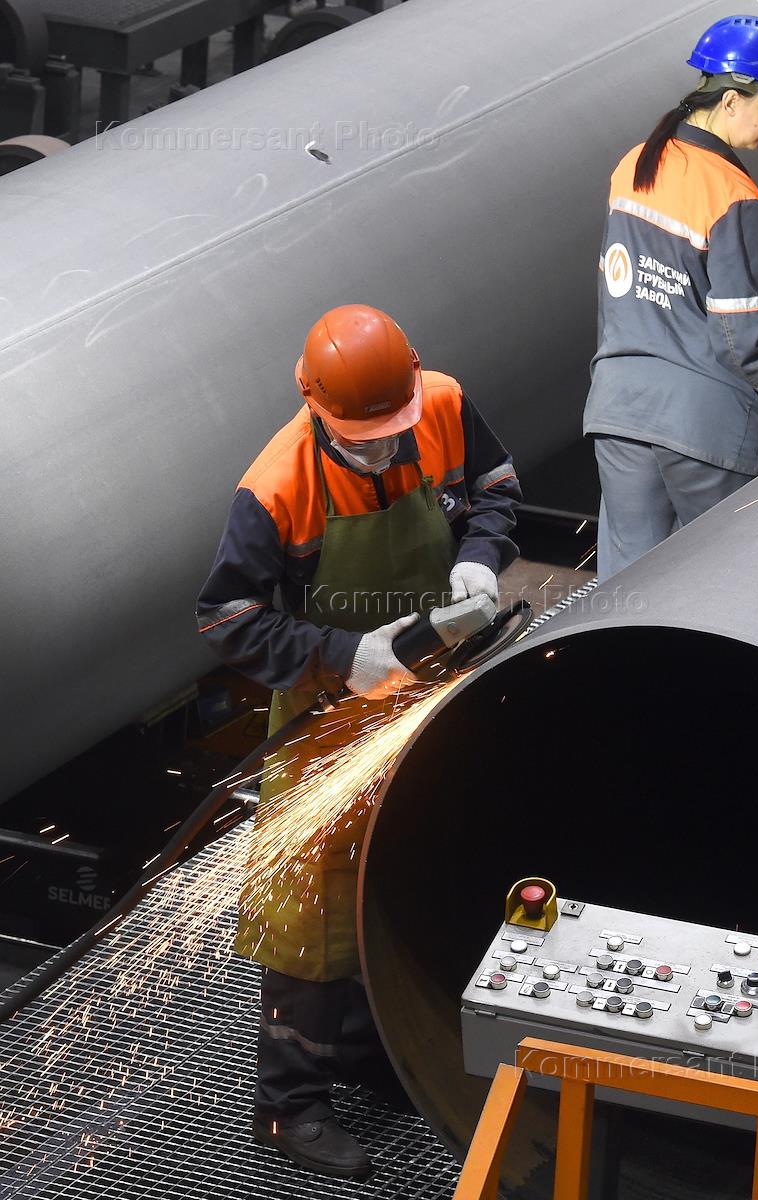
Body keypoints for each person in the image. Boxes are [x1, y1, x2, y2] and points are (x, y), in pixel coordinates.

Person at [196, 304, 521, 1179]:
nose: (380, 452)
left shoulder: (442, 402)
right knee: (310, 912)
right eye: (360, 442)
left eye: (391, 435)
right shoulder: (276, 485)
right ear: (313, 404)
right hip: (329, 718)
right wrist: (344, 655)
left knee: (408, 870)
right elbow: (224, 617)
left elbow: (494, 490)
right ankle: (288, 1107)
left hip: (434, 691)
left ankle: (369, 1051)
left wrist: (480, 556)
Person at [583, 14, 758, 581]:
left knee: (629, 590)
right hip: (704, 428)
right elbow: (745, 339)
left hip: (621, 411)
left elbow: (621, 294)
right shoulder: (734, 195)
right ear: (732, 100)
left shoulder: (635, 164)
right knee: (722, 587)